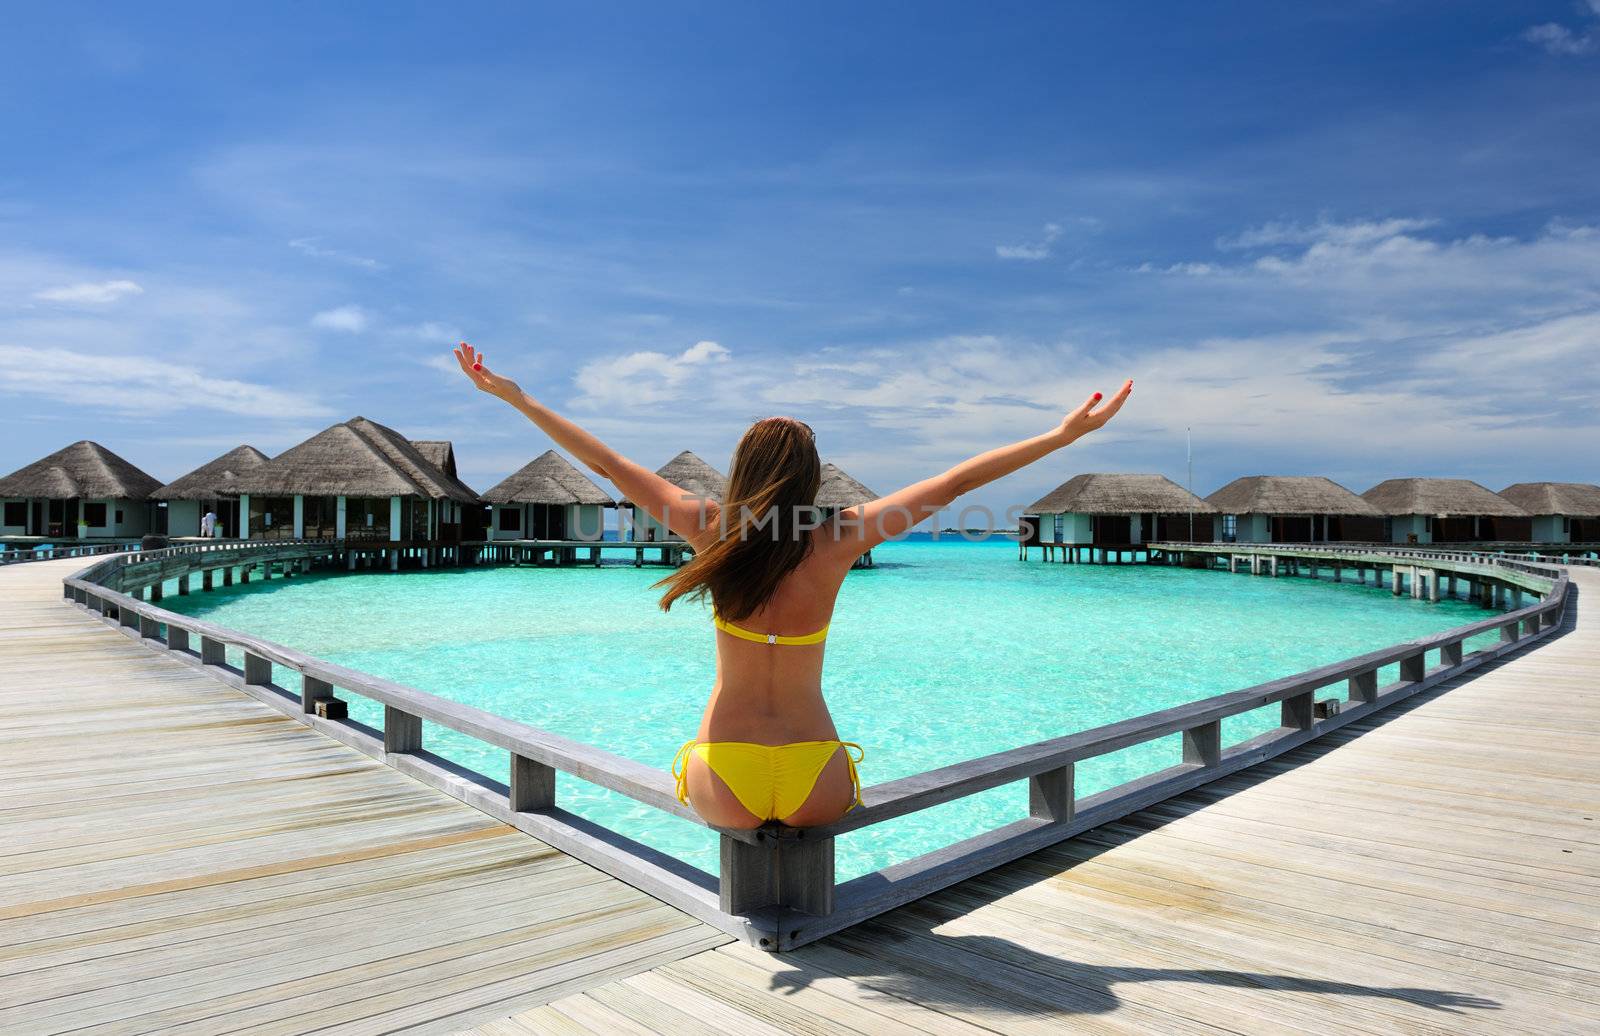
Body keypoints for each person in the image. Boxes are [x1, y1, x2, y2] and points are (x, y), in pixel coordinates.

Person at [453, 343, 1131, 830]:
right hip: (817, 777)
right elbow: (956, 483)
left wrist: (518, 398)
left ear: (740, 469)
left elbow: (605, 461)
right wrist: (1062, 435)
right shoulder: (841, 538)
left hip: (726, 776)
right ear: (812, 477)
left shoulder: (708, 524)